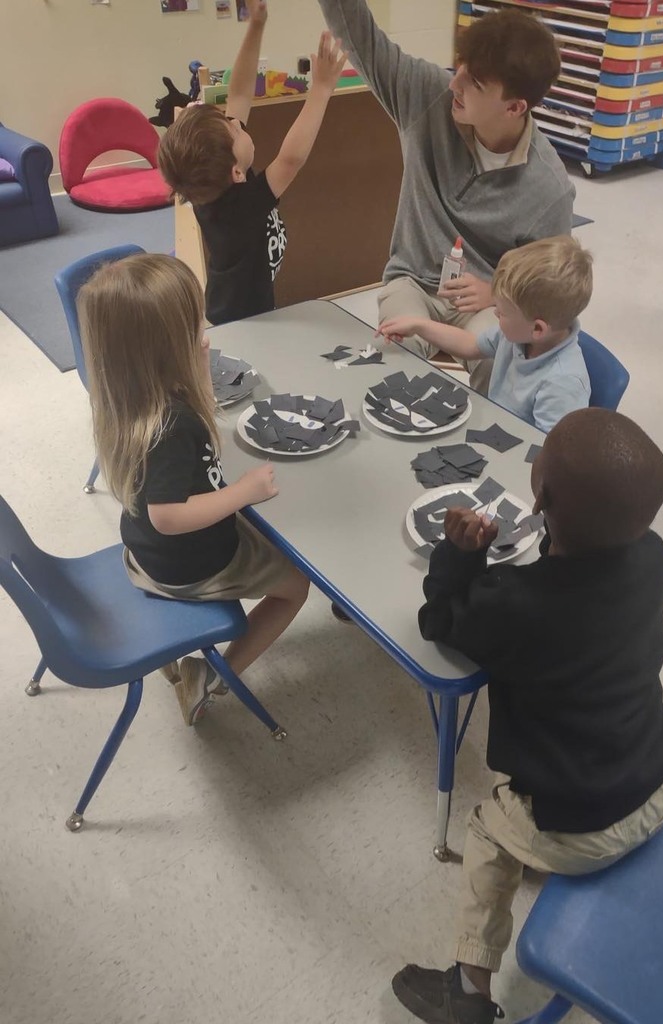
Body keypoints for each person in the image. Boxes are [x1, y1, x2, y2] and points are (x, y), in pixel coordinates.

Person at [392, 408, 663, 1024]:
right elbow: (579, 593)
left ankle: (468, 992)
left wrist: (459, 557)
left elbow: (438, 620)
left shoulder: (515, 604)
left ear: (540, 496)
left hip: (584, 824)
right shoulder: (654, 555)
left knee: (484, 828)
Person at [78, 253, 310, 726]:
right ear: (165, 348)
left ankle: (185, 650)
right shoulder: (172, 425)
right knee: (297, 584)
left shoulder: (128, 399)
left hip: (144, 553)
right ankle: (210, 677)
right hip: (189, 565)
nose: (205, 329)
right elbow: (169, 514)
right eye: (194, 325)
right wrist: (243, 491)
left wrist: (198, 373)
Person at [316, 0, 575, 392]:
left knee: (505, 364)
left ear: (514, 107)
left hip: (485, 304)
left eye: (475, 83)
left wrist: (496, 291)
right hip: (412, 282)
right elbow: (360, 38)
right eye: (461, 69)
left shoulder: (550, 188)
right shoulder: (429, 95)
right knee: (389, 360)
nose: (455, 84)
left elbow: (551, 290)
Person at [158, 0, 346, 326]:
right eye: (233, 128)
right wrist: (321, 90)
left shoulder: (218, 181)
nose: (236, 121)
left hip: (237, 307)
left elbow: (240, 94)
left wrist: (256, 26)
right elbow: (291, 159)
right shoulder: (240, 205)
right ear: (236, 172)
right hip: (241, 320)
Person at [378, 236, 592, 434]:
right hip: (496, 430)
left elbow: (546, 455)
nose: (495, 313)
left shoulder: (562, 384)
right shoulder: (518, 335)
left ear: (538, 329)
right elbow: (471, 345)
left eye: (503, 312)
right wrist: (419, 326)